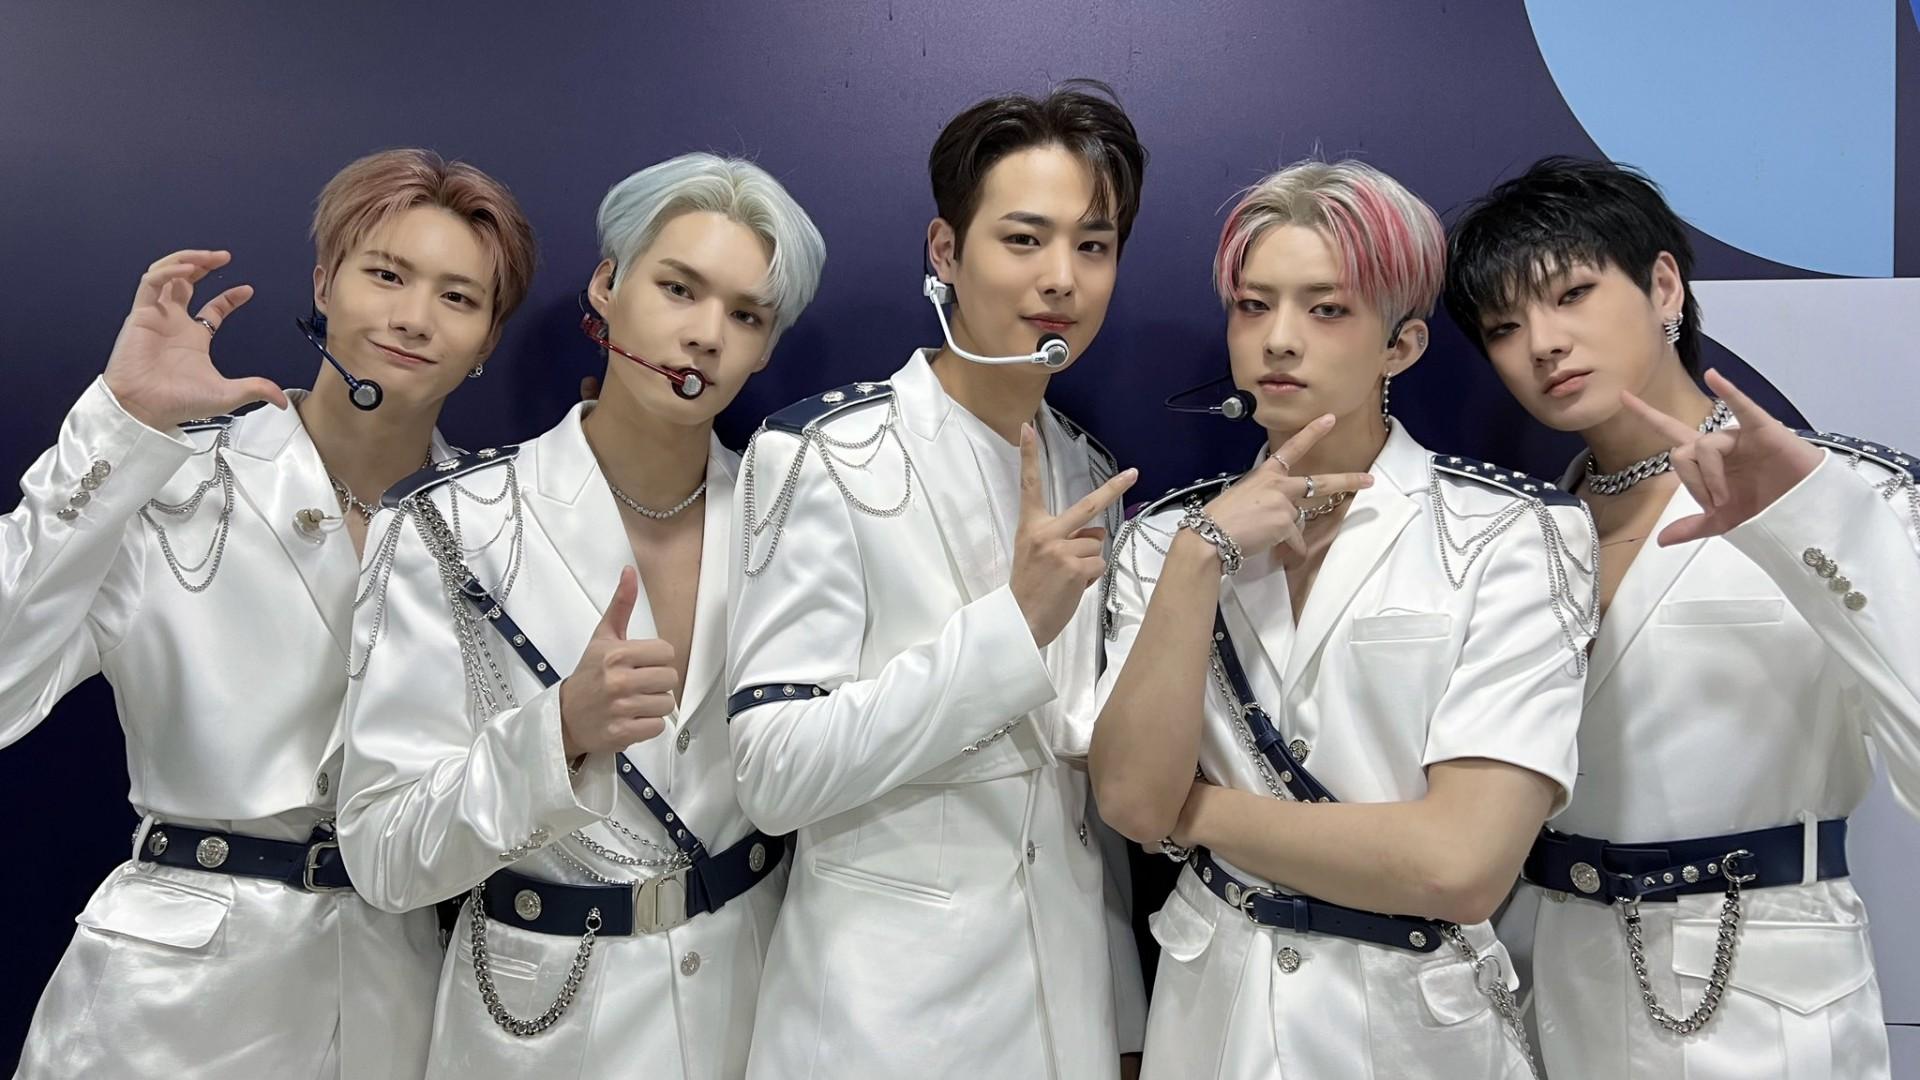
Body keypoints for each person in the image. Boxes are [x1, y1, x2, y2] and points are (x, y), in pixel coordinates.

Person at [2, 148, 536, 1079]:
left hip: (397, 996)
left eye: (458, 298)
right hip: (166, 1011)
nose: (414, 317)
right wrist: (122, 422)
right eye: (386, 275)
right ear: (324, 283)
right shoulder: (177, 478)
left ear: (488, 339)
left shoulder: (502, 528)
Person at [1092, 159, 1596, 1078]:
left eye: (1327, 309)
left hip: (1414, 1020)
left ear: (1401, 345)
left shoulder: (1510, 532)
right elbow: (1128, 802)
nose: (1279, 340)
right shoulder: (1163, 540)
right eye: (1253, 306)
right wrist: (1202, 557)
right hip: (1213, 1015)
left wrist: (1193, 810)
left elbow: (1460, 864)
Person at [336, 152, 825, 1080]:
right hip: (538, 1026)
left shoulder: (798, 518)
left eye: (746, 315)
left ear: (765, 349)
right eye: (678, 288)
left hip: (759, 1009)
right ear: (607, 286)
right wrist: (558, 732)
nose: (705, 335)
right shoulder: (453, 523)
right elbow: (385, 852)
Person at [1445, 155, 1920, 1079]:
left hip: (1766, 998)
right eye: (1504, 326)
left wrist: (1811, 526)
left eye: (1572, 294)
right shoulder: (1514, 534)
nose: (1542, 343)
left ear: (1664, 285)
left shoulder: (1850, 492)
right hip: (1555, 985)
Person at [726, 82, 1147, 1077]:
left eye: (1093, 245)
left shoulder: (1091, 469)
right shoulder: (824, 454)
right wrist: (1011, 628)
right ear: (946, 252)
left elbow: (1078, 797)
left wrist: (1120, 1019)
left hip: (1067, 1014)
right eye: (1024, 239)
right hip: (884, 1022)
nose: (1062, 278)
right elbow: (773, 771)